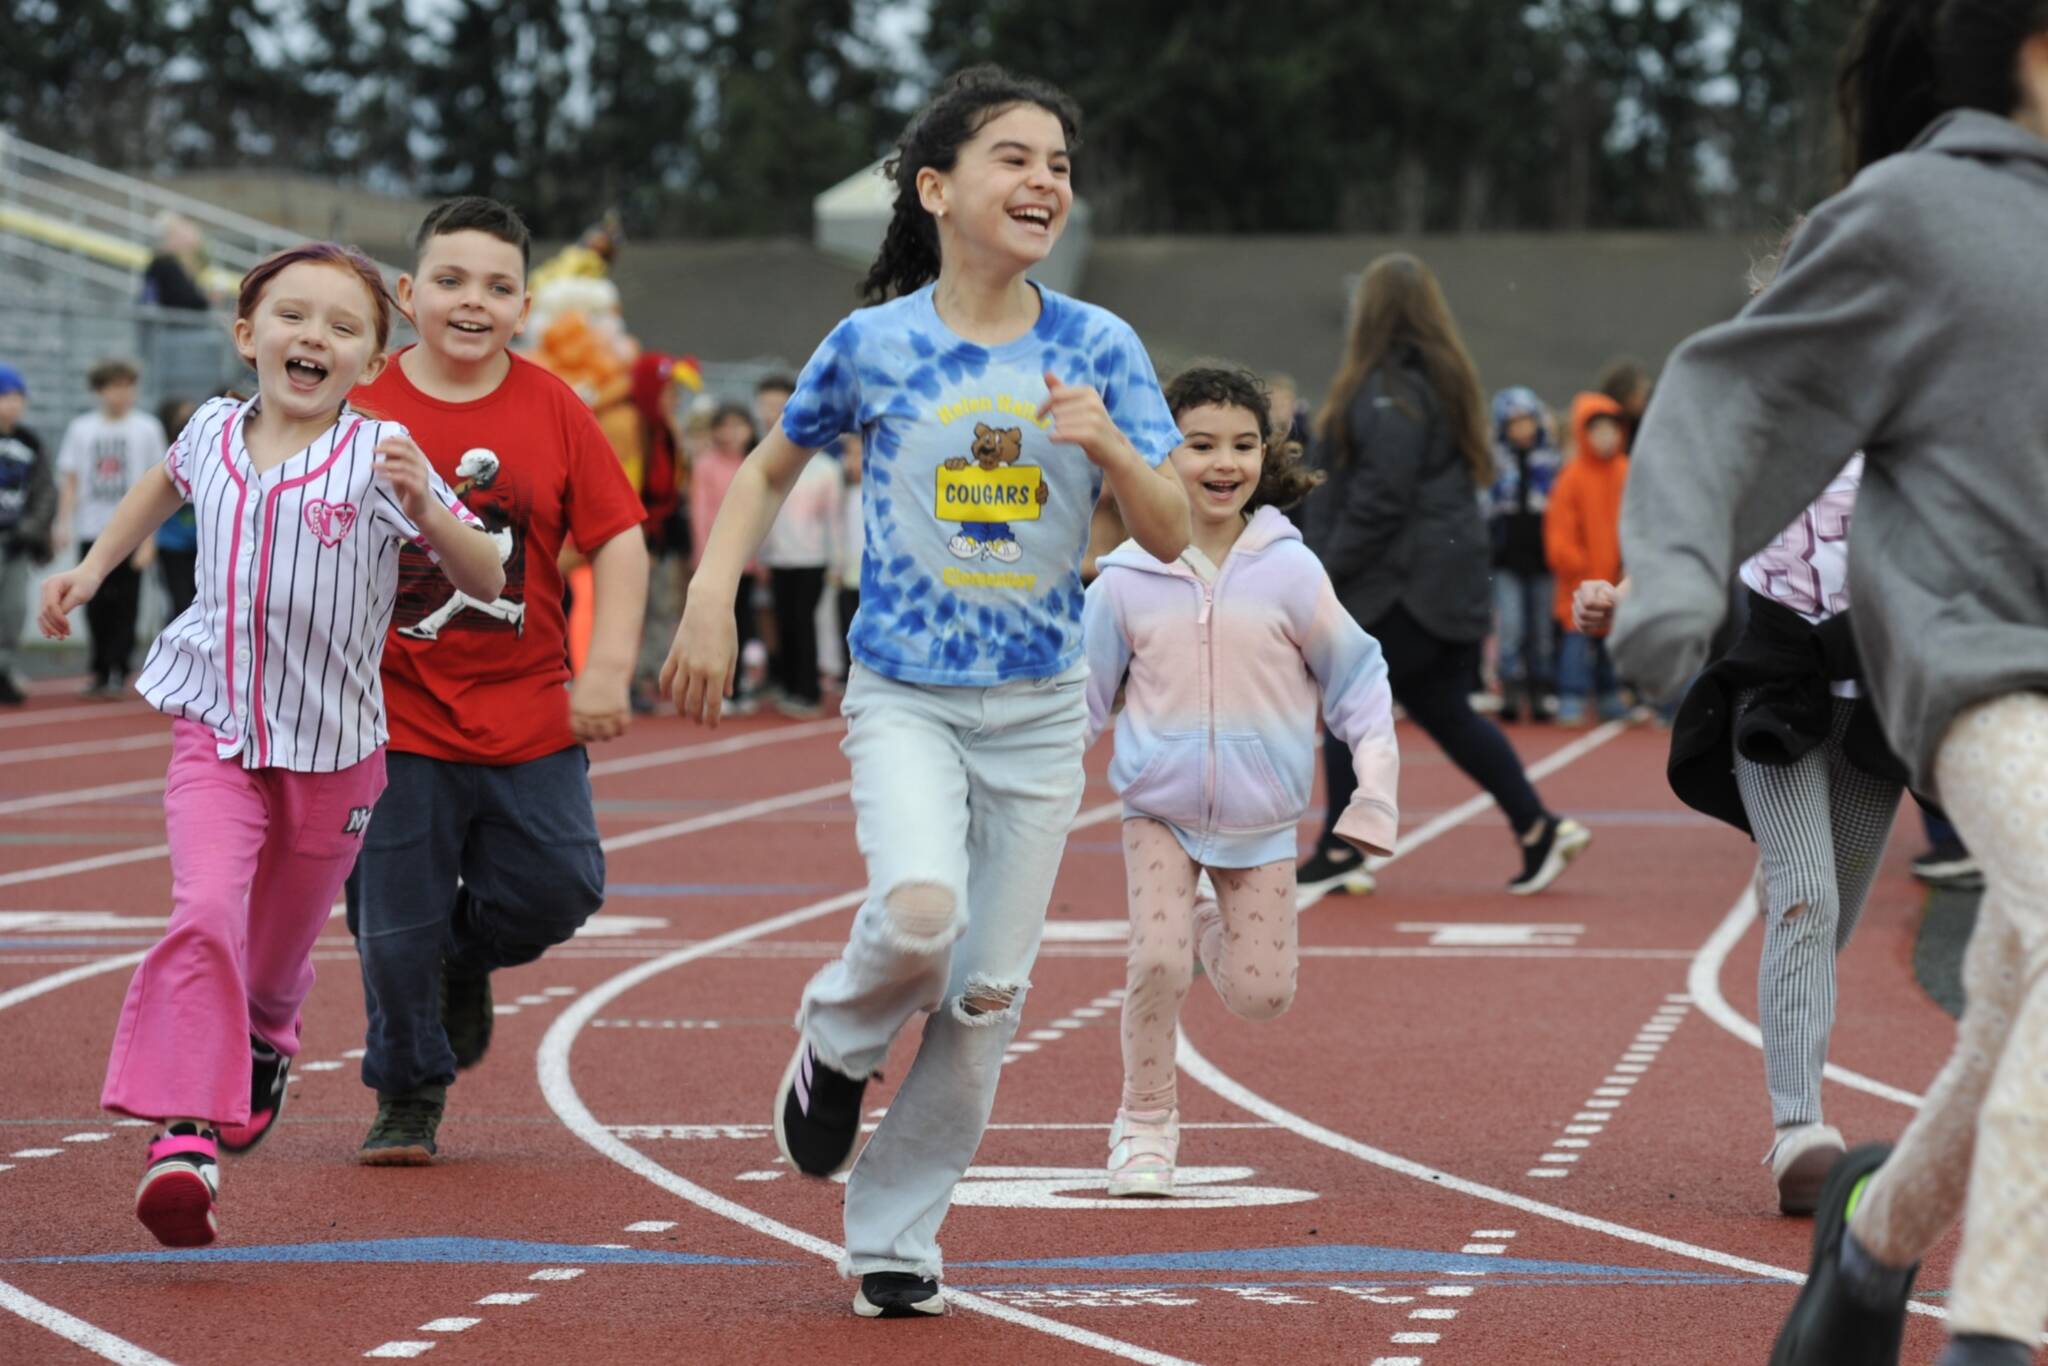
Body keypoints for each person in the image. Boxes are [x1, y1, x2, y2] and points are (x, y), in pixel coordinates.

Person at [662, 65, 1188, 1320]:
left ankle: (895, 1236)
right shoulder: (875, 342)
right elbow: (763, 471)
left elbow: (1169, 531)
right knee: (913, 919)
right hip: (904, 692)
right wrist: (708, 598)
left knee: (985, 995)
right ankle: (836, 1046)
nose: (1045, 181)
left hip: (1040, 707)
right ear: (936, 188)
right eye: (1015, 157)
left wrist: (1108, 442)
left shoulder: (1099, 346)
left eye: (1058, 162)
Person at [1609, 4, 2048, 1361]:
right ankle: (1993, 1325)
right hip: (1983, 669)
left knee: (2010, 994)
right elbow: (1735, 393)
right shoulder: (1919, 214)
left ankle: (1867, 1251)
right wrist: (1678, 580)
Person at [38, 242, 500, 1247]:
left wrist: (428, 506)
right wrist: (90, 565)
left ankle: (268, 1034)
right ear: (248, 336)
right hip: (216, 728)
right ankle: (183, 1136)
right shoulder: (208, 428)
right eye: (293, 317)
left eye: (343, 328)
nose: (314, 339)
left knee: (277, 954)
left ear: (373, 360)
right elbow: (161, 486)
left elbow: (489, 576)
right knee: (205, 910)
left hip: (335, 753)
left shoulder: (380, 458)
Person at [344, 197, 649, 1167]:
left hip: (530, 708)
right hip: (385, 714)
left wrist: (605, 671)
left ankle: (464, 958)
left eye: (496, 286)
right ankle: (406, 1089)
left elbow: (621, 538)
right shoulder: (357, 405)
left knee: (559, 889)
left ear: (524, 306)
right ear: (406, 294)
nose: (472, 301)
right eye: (450, 280)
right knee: (392, 925)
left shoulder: (554, 405)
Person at [1085, 365, 1397, 1196]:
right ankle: (1144, 1123)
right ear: (1159, 453)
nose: (1224, 463)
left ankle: (1199, 921)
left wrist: (1373, 794)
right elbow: (1078, 697)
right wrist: (1022, 796)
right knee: (1155, 962)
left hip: (1260, 820)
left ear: (1268, 454)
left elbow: (1360, 681)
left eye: (1243, 445)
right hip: (1157, 807)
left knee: (1263, 997)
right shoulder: (1123, 579)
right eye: (1199, 446)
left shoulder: (1291, 573)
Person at [1297, 252, 1589, 898]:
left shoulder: (1388, 391)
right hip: (1439, 582)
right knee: (1442, 711)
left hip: (1404, 585)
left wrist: (1321, 570)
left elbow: (1380, 496)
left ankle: (1342, 847)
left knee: (1350, 705)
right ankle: (1538, 827)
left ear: (1370, 313)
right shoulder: (1443, 380)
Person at [56, 359, 167, 698]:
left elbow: (161, 484)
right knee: (94, 602)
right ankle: (99, 668)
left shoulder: (147, 428)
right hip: (92, 529)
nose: (122, 394)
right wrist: (63, 522)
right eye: (114, 386)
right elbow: (71, 481)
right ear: (100, 390)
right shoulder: (81, 429)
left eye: (128, 386)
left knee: (126, 603)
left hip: (132, 531)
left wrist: (150, 539)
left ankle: (119, 668)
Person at [1546, 392, 1631, 726]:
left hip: (1617, 576)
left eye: (1612, 430)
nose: (1606, 437)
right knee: (1576, 642)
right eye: (1598, 430)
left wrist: (1628, 565)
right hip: (1578, 580)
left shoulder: (1627, 472)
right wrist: (1576, 566)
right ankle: (1571, 697)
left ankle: (1610, 696)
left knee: (1611, 643)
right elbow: (1559, 531)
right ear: (1584, 433)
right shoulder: (1571, 478)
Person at [1486, 386, 1562, 723]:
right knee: (1512, 626)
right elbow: (1486, 506)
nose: (1522, 429)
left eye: (1527, 421)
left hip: (1544, 557)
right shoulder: (1494, 461)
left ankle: (1541, 687)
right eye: (1514, 422)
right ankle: (1511, 686)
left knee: (1541, 629)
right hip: (1506, 558)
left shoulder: (1552, 459)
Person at [690, 401, 765, 711]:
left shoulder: (755, 462)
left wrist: (757, 556)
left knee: (744, 623)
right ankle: (716, 690)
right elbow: (699, 512)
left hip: (747, 561)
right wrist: (704, 557)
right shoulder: (705, 465)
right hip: (715, 562)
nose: (731, 433)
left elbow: (761, 513)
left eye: (738, 426)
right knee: (715, 623)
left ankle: (741, 686)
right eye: (724, 426)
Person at [759, 443, 842, 717]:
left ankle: (808, 691)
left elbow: (834, 518)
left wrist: (837, 560)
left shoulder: (827, 470)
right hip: (779, 558)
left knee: (803, 621)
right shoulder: (778, 463)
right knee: (784, 621)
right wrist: (763, 553)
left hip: (812, 558)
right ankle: (789, 685)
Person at [0, 365, 55, 705]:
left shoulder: (30, 442)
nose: (12, 404)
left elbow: (45, 491)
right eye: (5, 396)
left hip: (16, 541)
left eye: (18, 396)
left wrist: (32, 530)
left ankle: (4, 669)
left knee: (13, 610)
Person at [151, 397, 200, 622]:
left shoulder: (208, 453)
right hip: (172, 546)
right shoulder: (165, 459)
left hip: (202, 546)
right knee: (180, 605)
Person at [140, 215, 211, 311]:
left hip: (174, 319)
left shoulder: (170, 262)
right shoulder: (165, 263)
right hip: (172, 321)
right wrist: (208, 299)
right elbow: (183, 297)